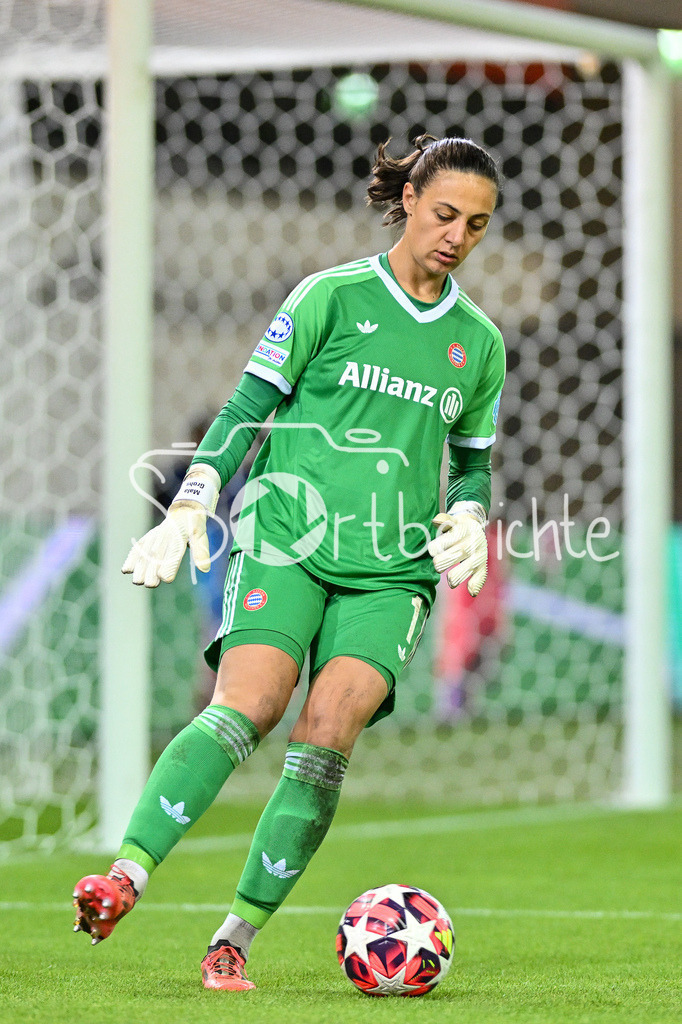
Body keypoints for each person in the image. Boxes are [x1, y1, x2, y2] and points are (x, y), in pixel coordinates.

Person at [72, 134, 505, 991]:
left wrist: (467, 510)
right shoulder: (331, 298)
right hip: (287, 539)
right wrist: (194, 498)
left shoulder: (478, 343)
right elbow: (246, 406)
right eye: (446, 213)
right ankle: (125, 877)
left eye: (479, 225)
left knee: (326, 735)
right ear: (409, 199)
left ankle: (232, 939)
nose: (457, 235)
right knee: (250, 705)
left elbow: (475, 459)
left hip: (390, 571)